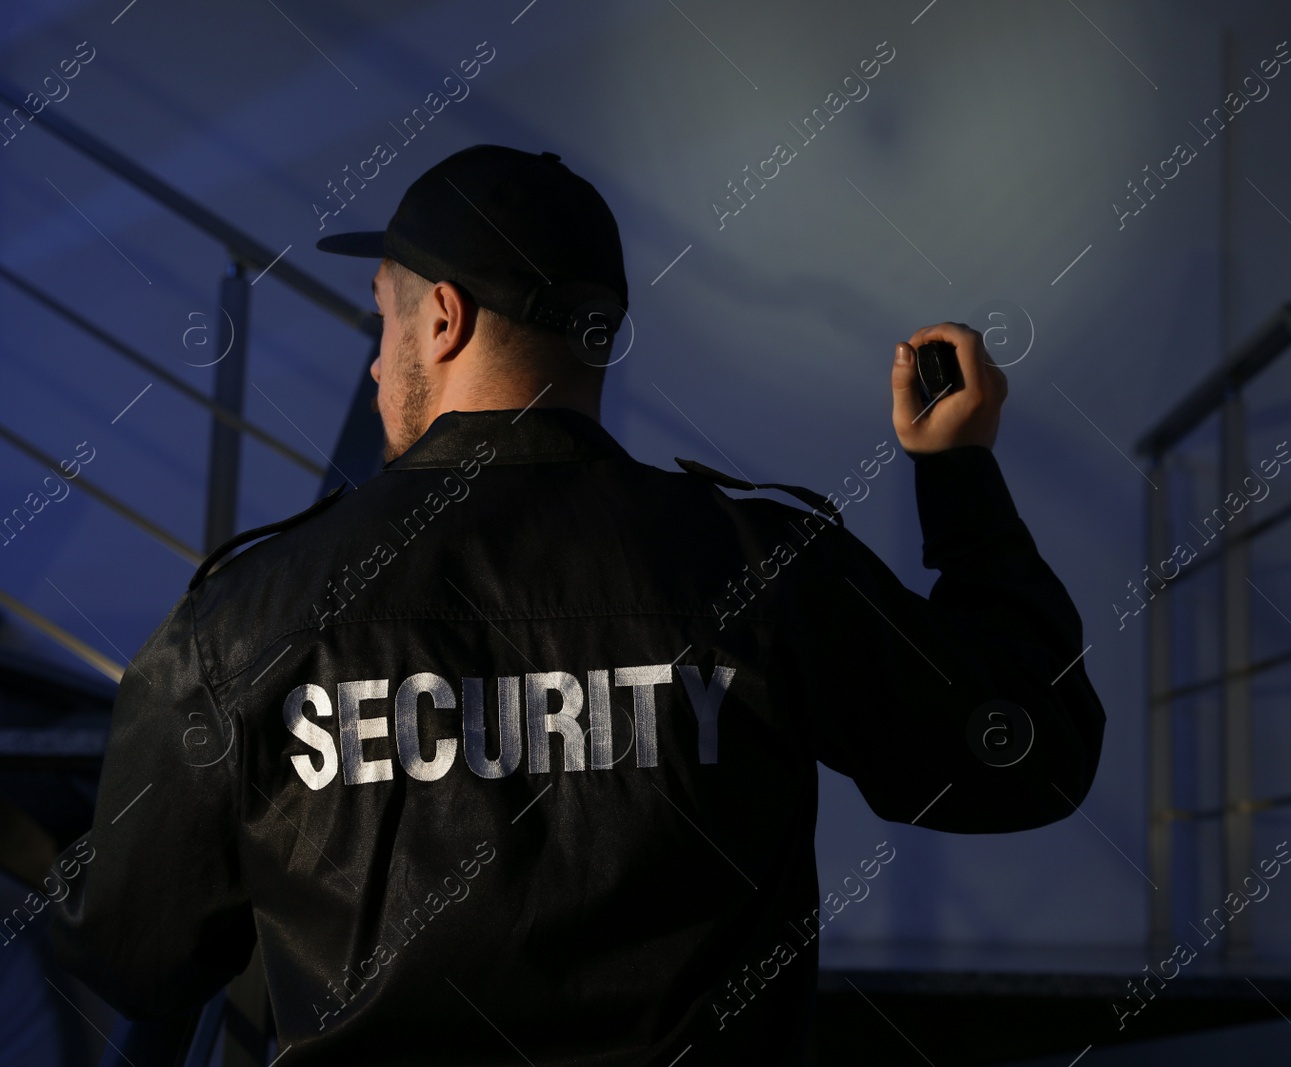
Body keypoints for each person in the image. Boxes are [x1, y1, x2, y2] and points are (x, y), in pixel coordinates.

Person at [49, 144, 1105, 1065]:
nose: (375, 366)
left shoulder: (244, 619)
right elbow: (1025, 754)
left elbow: (135, 956)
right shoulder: (763, 565)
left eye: (385, 321)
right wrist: (957, 472)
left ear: (446, 318)